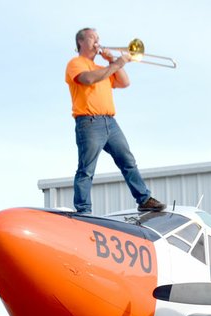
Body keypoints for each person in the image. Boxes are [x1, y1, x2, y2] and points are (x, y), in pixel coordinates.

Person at [65, 27, 166, 214]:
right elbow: (87, 79)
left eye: (98, 38)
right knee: (86, 169)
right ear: (81, 42)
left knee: (128, 161)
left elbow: (124, 83)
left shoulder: (102, 68)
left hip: (110, 122)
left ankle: (144, 199)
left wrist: (113, 61)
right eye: (93, 38)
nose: (97, 42)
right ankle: (83, 210)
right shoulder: (76, 63)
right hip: (89, 122)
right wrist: (116, 63)